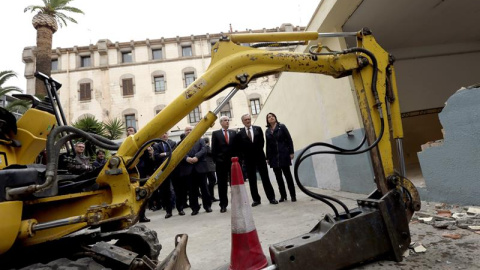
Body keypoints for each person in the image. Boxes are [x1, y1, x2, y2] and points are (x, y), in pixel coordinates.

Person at [234, 114, 278, 207]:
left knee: (265, 178)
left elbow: (262, 142)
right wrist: (244, 158)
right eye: (246, 119)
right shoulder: (239, 134)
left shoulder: (258, 129)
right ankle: (256, 200)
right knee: (252, 180)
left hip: (260, 157)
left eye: (249, 119)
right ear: (243, 121)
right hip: (248, 160)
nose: (248, 121)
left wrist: (258, 153)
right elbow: (239, 148)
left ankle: (271, 198)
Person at [177, 126, 212, 215]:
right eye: (187, 130)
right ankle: (194, 208)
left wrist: (196, 157)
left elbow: (204, 149)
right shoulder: (181, 143)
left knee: (204, 188)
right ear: (184, 132)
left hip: (200, 167)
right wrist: (187, 158)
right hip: (188, 169)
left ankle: (207, 206)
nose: (189, 131)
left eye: (190, 130)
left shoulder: (200, 140)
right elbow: (179, 152)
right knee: (192, 190)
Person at [265, 113, 297, 202]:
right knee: (279, 178)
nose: (271, 118)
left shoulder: (281, 127)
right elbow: (267, 145)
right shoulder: (267, 131)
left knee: (288, 177)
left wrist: (291, 152)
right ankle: (283, 196)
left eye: (272, 116)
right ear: (267, 120)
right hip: (274, 157)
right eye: (269, 117)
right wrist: (267, 157)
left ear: (275, 118)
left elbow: (289, 139)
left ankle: (293, 195)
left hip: (284, 154)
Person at [211, 116, 238, 213]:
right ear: (221, 122)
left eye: (228, 120)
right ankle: (223, 205)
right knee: (222, 185)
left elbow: (237, 148)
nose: (227, 122)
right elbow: (213, 149)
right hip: (221, 163)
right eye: (225, 120)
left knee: (234, 184)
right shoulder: (216, 134)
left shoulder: (233, 133)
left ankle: (237, 203)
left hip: (233, 162)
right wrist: (217, 160)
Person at [150, 132, 177, 219]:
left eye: (165, 133)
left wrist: (164, 154)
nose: (164, 134)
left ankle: (180, 208)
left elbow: (174, 153)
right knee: (165, 191)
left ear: (168, 134)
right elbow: (156, 156)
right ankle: (168, 211)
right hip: (163, 170)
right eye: (163, 133)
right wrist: (168, 153)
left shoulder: (173, 143)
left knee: (177, 188)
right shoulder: (156, 146)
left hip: (173, 169)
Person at [203, 137, 219, 203]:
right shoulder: (207, 147)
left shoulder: (204, 147)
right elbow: (212, 154)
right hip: (209, 167)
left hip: (207, 167)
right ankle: (210, 196)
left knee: (210, 181)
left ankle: (210, 196)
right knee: (212, 180)